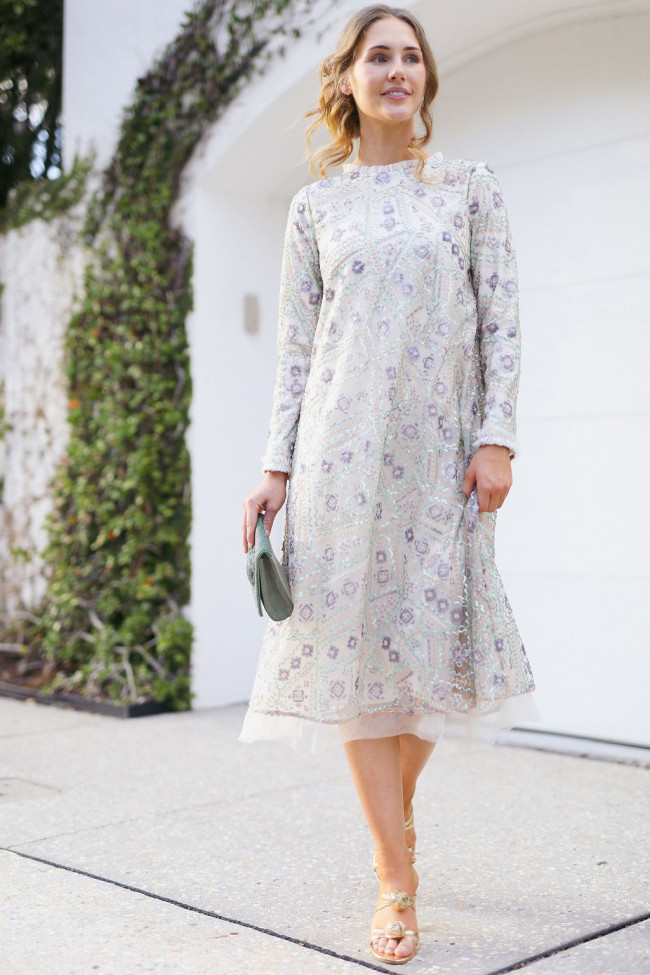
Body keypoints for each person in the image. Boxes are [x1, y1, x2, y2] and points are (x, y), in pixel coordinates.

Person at [240, 4, 539, 965]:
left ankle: (390, 822)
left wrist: (497, 439)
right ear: (347, 79)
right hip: (336, 456)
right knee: (358, 661)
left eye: (412, 57)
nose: (398, 69)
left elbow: (502, 321)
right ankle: (394, 878)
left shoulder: (468, 188)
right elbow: (296, 352)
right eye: (379, 56)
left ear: (426, 80)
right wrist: (275, 469)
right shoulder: (314, 208)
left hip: (441, 458)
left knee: (434, 653)